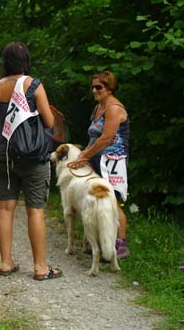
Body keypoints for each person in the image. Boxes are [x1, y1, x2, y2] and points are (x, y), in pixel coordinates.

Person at [0, 41, 62, 281]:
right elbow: (49, 122)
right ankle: (40, 267)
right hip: (33, 156)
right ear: (26, 61)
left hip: (4, 155)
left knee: (5, 207)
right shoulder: (34, 85)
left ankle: (5, 262)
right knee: (35, 210)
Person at [67, 70, 130, 259]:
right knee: (95, 199)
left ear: (109, 88)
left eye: (99, 87)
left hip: (112, 161)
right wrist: (83, 157)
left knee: (112, 201)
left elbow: (106, 138)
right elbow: (93, 138)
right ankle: (98, 242)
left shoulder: (114, 108)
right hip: (96, 158)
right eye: (93, 87)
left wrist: (84, 155)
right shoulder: (98, 108)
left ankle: (120, 246)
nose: (94, 90)